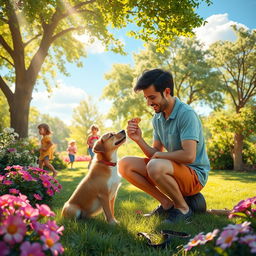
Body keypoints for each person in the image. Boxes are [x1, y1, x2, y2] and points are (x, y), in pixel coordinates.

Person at [118, 69, 210, 223]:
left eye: (152, 97)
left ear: (167, 92)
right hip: (171, 169)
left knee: (155, 165)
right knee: (124, 164)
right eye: (146, 98)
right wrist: (138, 139)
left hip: (194, 175)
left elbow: (189, 156)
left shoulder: (186, 114)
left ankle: (183, 209)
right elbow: (155, 153)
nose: (148, 103)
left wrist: (159, 156)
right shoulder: (157, 118)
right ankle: (167, 204)